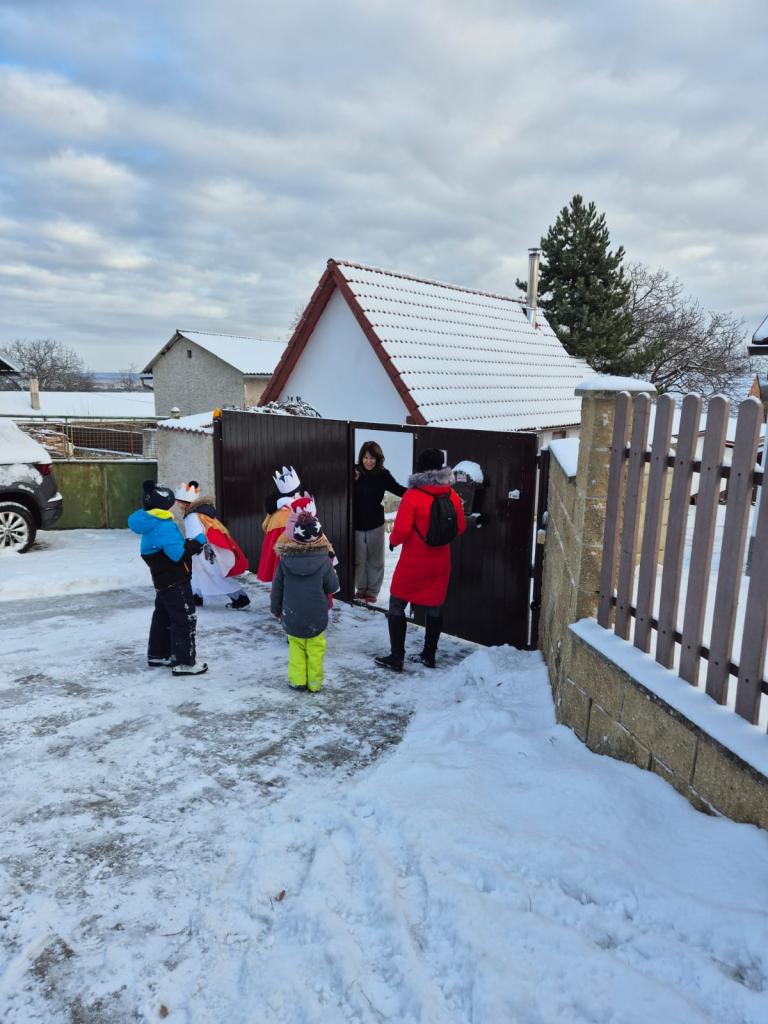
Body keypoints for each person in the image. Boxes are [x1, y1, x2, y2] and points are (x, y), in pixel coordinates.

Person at [375, 448, 466, 672]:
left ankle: (397, 657)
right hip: (440, 562)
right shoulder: (451, 495)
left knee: (397, 604)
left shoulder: (413, 496)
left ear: (420, 468)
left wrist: (393, 541)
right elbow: (461, 527)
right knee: (434, 606)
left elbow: (401, 531)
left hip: (414, 562)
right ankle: (429, 655)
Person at [127, 480, 208, 675]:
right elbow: (178, 555)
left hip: (163, 580)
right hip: (175, 580)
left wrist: (185, 543)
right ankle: (184, 662)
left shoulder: (150, 521)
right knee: (185, 618)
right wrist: (197, 542)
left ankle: (158, 654)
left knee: (162, 616)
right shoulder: (164, 526)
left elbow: (169, 547)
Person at [270, 509, 339, 692]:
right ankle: (315, 683)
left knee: (296, 648)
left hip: (292, 614)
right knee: (316, 650)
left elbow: (277, 588)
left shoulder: (285, 561)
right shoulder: (324, 560)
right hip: (317, 615)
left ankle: (297, 680)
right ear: (319, 536)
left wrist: (276, 609)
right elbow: (332, 586)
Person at [174, 481, 250, 609]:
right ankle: (196, 597)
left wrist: (190, 548)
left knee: (214, 575)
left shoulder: (191, 516)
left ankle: (240, 598)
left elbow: (196, 535)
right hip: (204, 549)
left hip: (201, 551)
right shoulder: (200, 513)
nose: (177, 504)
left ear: (185, 503)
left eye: (179, 501)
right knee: (197, 574)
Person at [353, 441, 406, 603]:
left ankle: (372, 592)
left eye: (372, 458)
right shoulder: (354, 472)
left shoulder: (383, 474)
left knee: (375, 560)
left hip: (375, 523)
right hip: (356, 523)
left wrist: (419, 493)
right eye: (365, 457)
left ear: (378, 459)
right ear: (361, 458)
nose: (368, 461)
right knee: (358, 559)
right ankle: (360, 588)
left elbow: (399, 489)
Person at [256, 465, 313, 583]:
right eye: (299, 492)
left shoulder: (276, 510)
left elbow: (265, 526)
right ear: (296, 493)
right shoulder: (293, 513)